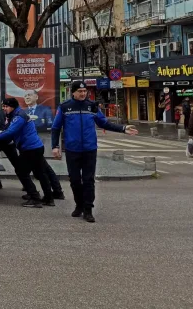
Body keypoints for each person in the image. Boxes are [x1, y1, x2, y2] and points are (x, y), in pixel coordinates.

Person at [51, 80, 138, 223]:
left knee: (88, 180)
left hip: (89, 149)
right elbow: (55, 128)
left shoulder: (92, 106)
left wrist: (123, 129)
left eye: (84, 91)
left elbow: (104, 123)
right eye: (80, 91)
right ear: (73, 92)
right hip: (72, 149)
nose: (83, 94)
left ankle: (88, 209)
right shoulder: (65, 107)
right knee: (74, 180)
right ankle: (79, 205)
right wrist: (55, 146)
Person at [0, 98, 56, 208]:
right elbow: (8, 129)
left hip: (30, 149)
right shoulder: (16, 114)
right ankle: (48, 198)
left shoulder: (19, 117)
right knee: (41, 173)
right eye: (3, 106)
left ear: (12, 107)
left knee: (21, 171)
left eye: (6, 106)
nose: (4, 108)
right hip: (35, 147)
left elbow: (10, 132)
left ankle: (35, 198)